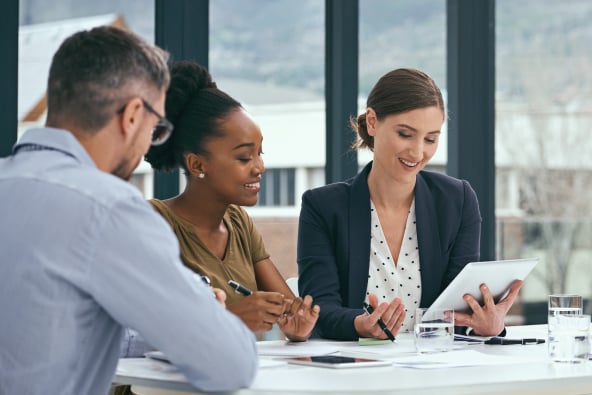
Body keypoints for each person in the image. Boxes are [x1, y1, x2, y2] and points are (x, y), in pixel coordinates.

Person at [0, 26, 257, 395]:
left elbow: (43, 332)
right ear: (133, 115)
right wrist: (199, 307)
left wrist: (161, 321)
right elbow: (231, 364)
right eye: (158, 128)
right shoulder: (108, 207)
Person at [297, 68, 523, 341]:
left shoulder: (457, 201)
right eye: (405, 134)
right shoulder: (322, 207)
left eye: (430, 139)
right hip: (354, 368)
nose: (418, 152)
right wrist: (359, 324)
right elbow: (319, 310)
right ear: (372, 122)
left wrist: (488, 325)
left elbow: (458, 312)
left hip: (433, 369)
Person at [145, 60, 319, 342]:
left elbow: (289, 310)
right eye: (244, 157)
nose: (259, 166)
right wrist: (232, 318)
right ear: (197, 164)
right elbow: (149, 328)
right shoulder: (154, 223)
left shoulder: (238, 223)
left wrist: (296, 326)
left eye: (260, 153)